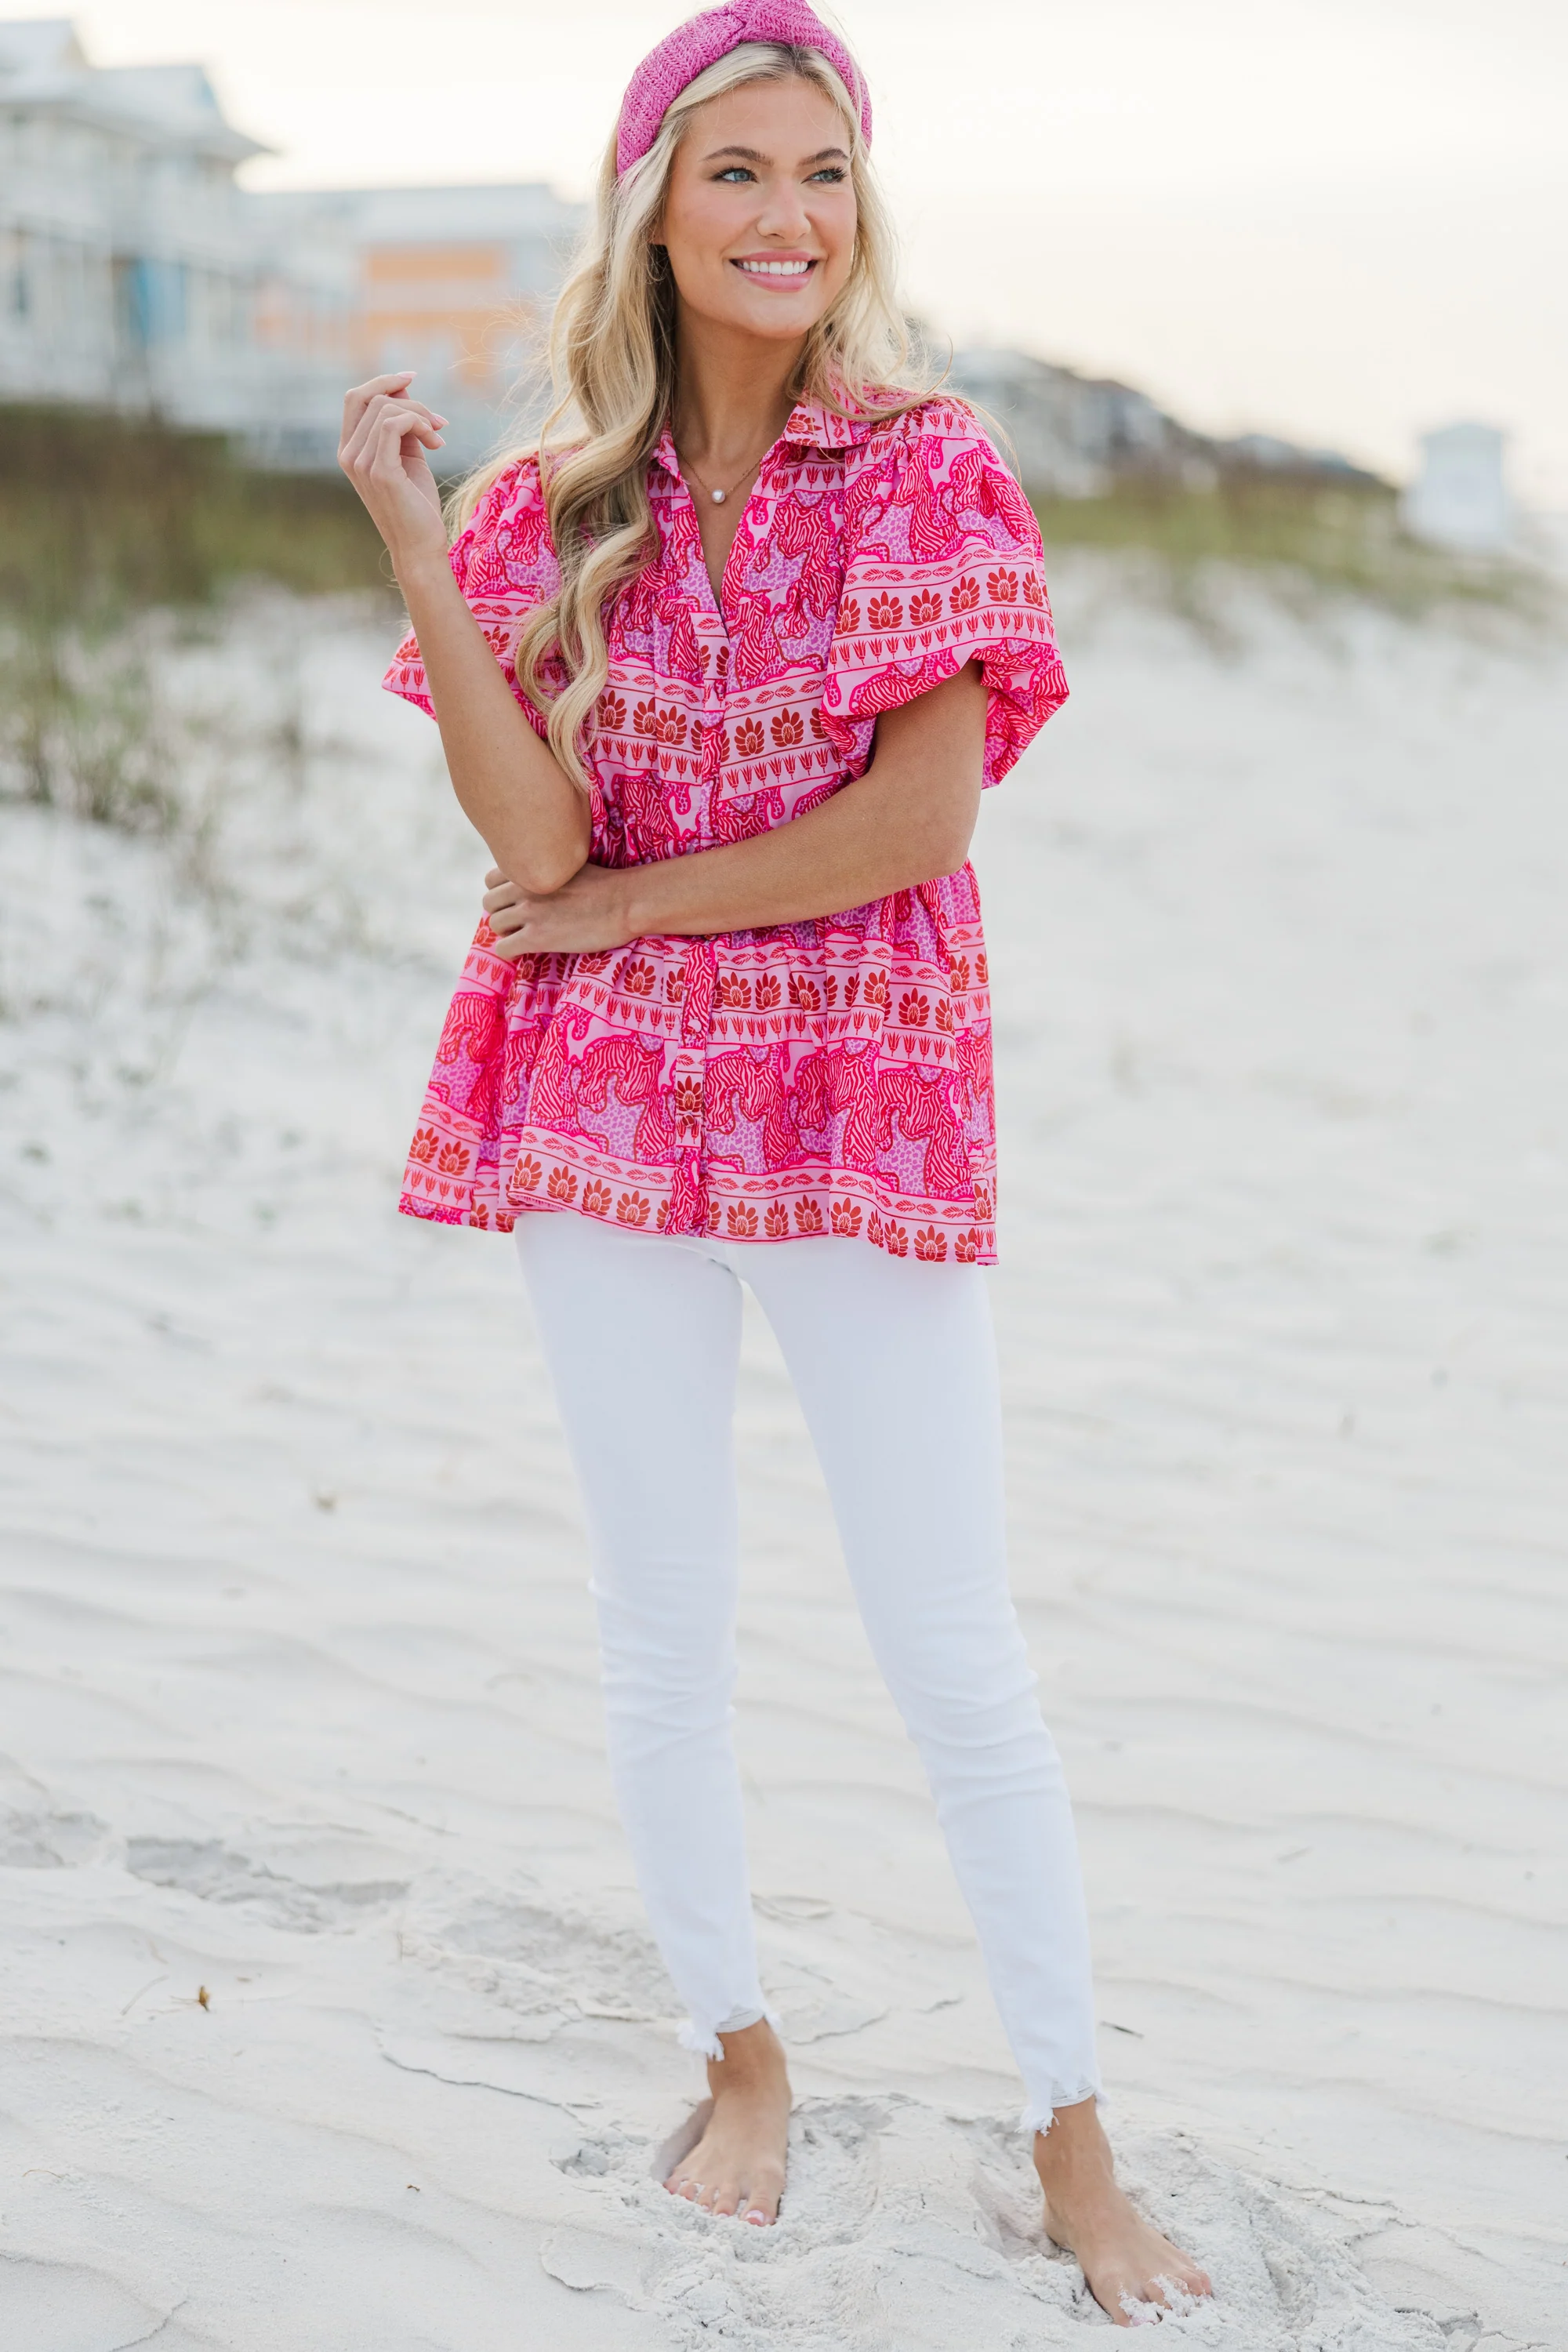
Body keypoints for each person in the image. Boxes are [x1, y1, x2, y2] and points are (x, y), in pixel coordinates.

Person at [339, 2, 1211, 2325]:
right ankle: (742, 2051)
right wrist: (423, 547)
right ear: (652, 205)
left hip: (862, 1084)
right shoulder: (549, 507)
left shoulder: (928, 466)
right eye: (736, 173)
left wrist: (628, 903)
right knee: (662, 1628)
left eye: (823, 175)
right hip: (604, 1100)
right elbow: (530, 839)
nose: (786, 221)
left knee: (953, 1648)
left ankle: (1073, 2135)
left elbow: (920, 818)